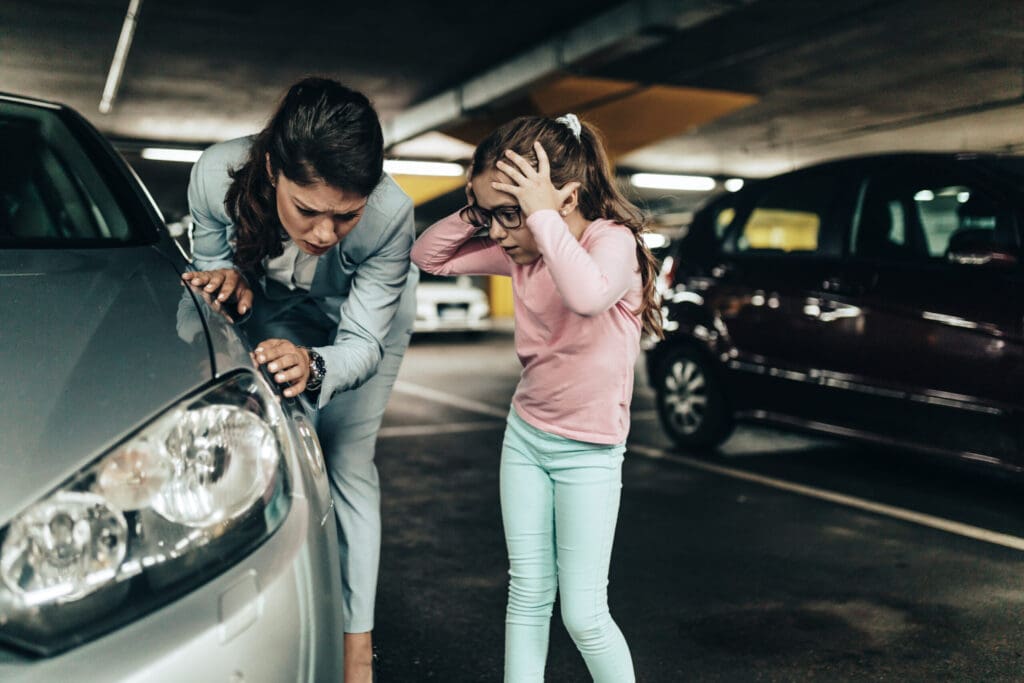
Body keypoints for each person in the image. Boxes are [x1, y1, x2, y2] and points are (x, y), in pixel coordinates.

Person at [411, 113, 662, 682]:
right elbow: (428, 256)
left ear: (565, 199)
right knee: (526, 594)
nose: (496, 233)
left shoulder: (610, 242)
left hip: (589, 454)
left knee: (584, 613)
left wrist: (540, 217)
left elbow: (588, 295)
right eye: (489, 217)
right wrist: (477, 211)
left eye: (508, 215)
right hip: (525, 439)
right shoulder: (522, 249)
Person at [182, 76, 417, 683]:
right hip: (268, 301)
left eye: (345, 217)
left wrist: (316, 365)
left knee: (345, 460)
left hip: (362, 321)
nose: (322, 233)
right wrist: (225, 277)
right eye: (307, 210)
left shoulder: (391, 216)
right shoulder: (215, 174)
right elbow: (210, 265)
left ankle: (355, 649)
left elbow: (361, 343)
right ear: (270, 169)